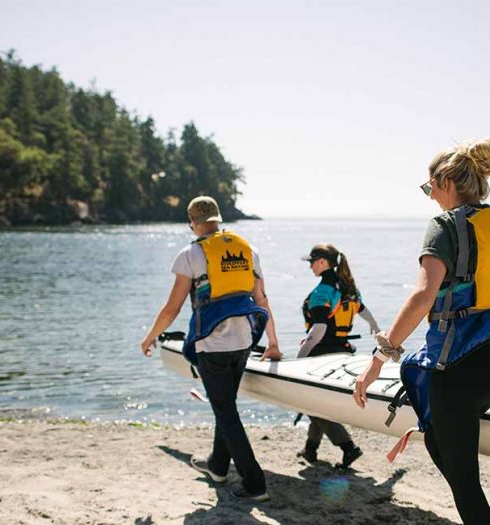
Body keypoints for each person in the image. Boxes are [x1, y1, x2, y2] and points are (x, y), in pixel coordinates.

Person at [352, 137, 490, 525]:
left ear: (446, 182)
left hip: (459, 370)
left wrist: (377, 361)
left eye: (430, 187)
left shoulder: (444, 227)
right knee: (440, 444)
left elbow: (423, 297)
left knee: (466, 482)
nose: (430, 196)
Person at [140, 195, 282, 501]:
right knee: (225, 404)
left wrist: (151, 336)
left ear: (192, 222)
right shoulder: (248, 249)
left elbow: (172, 308)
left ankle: (255, 484)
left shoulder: (190, 254)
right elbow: (262, 299)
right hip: (245, 339)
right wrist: (273, 342)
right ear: (218, 218)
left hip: (212, 344)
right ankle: (217, 466)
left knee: (225, 411)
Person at [297, 243, 379, 468]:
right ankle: (310, 449)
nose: (310, 266)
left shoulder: (322, 291)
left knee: (311, 403)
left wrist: (299, 359)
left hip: (320, 355)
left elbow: (319, 329)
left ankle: (348, 447)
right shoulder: (348, 288)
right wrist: (376, 328)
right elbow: (364, 311)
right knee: (319, 402)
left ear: (323, 262)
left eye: (312, 262)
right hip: (343, 353)